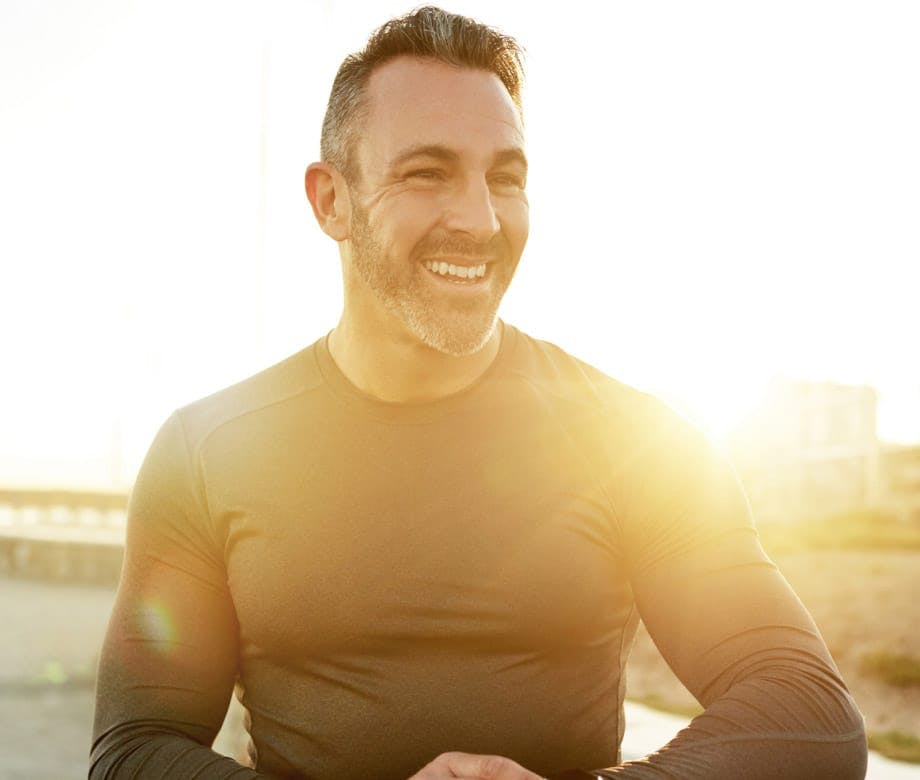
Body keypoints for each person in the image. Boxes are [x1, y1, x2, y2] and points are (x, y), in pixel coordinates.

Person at [90, 7, 868, 779]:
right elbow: (135, 750)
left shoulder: (635, 441)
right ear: (331, 200)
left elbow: (813, 719)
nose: (480, 218)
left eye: (505, 177)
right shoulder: (208, 451)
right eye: (427, 173)